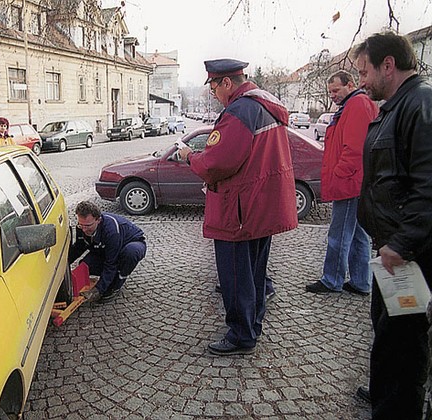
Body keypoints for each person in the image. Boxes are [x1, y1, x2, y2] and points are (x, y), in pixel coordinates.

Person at [179, 59, 297, 355]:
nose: (213, 93)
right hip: (259, 207)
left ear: (226, 83)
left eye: (214, 87)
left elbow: (217, 163)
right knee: (255, 274)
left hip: (238, 210)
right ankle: (253, 324)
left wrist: (190, 156)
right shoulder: (264, 105)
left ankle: (241, 336)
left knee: (235, 277)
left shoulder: (239, 110)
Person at [352, 31, 432, 419]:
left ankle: (397, 408)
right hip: (392, 251)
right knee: (387, 335)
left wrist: (401, 242)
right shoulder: (397, 106)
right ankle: (385, 397)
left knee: (403, 343)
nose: (362, 81)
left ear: (388, 65)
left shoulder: (421, 104)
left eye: (365, 71)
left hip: (410, 255)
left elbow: (428, 184)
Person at [305, 70, 378, 296]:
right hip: (355, 182)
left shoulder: (356, 105)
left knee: (339, 235)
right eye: (330, 92)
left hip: (349, 183)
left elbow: (355, 149)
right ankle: (360, 282)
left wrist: (339, 174)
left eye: (336, 90)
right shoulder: (354, 104)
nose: (333, 95)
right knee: (357, 235)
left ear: (350, 85)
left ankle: (332, 280)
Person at [68, 201, 147, 303]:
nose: (84, 229)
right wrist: (64, 264)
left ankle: (117, 283)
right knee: (85, 265)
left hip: (130, 244)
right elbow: (79, 248)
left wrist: (98, 290)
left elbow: (111, 263)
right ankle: (109, 278)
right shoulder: (82, 227)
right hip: (104, 248)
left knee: (130, 253)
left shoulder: (111, 231)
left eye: (87, 226)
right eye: (81, 225)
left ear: (98, 220)